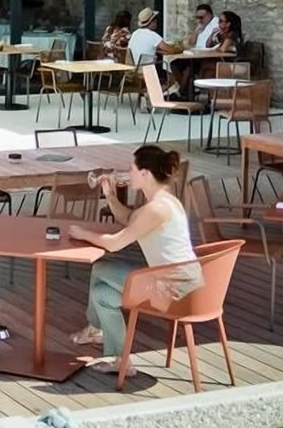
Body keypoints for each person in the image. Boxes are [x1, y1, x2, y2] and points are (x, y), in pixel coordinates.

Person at [67, 146, 202, 375]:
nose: (128, 174)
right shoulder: (164, 202)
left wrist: (83, 234)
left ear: (145, 173)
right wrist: (109, 194)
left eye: (131, 169)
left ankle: (94, 328)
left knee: (101, 267)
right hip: (174, 281)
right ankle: (118, 360)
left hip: (174, 289)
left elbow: (114, 243)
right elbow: (128, 218)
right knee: (102, 295)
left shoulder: (157, 209)